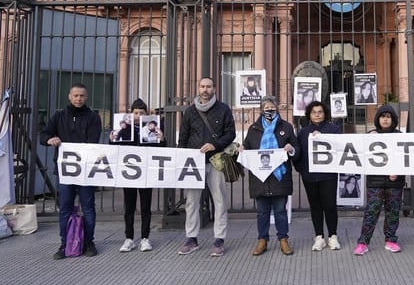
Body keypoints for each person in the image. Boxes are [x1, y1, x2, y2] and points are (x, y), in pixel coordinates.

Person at [39, 83, 102, 260]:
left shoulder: (93, 117)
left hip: (86, 171)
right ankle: (64, 243)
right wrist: (50, 139)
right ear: (69, 96)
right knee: (65, 207)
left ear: (86, 97)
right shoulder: (59, 117)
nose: (78, 99)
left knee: (88, 207)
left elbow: (93, 142)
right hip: (65, 171)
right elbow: (44, 134)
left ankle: (89, 242)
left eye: (82, 95)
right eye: (75, 95)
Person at [177, 77, 236, 257]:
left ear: (214, 88)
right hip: (194, 163)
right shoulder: (190, 111)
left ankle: (219, 239)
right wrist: (183, 157)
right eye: (202, 86)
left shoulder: (223, 109)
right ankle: (191, 238)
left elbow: (231, 133)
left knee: (219, 200)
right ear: (198, 88)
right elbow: (183, 136)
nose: (205, 89)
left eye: (208, 86)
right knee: (191, 201)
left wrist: (215, 145)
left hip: (216, 160)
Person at [242, 96, 298, 256]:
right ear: (261, 110)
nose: (269, 110)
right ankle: (262, 240)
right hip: (260, 177)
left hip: (279, 177)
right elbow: (248, 145)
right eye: (266, 107)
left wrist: (291, 148)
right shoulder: (253, 128)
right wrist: (242, 148)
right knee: (262, 212)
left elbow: (296, 147)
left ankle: (283, 240)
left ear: (277, 108)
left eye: (272, 107)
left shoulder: (286, 127)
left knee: (280, 210)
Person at [353, 105, 406, 255]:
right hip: (375, 182)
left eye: (388, 117)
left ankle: (391, 240)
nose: (385, 119)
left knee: (393, 212)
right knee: (371, 212)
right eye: (383, 116)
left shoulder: (401, 136)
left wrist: (398, 172)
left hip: (395, 182)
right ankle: (363, 242)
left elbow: (407, 158)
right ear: (378, 119)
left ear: (393, 120)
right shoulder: (371, 136)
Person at [115, 99, 165, 253]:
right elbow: (116, 147)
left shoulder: (152, 128)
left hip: (146, 173)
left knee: (145, 206)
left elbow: (162, 148)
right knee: (129, 207)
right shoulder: (124, 129)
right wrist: (112, 140)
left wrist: (161, 139)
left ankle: (145, 238)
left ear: (146, 114)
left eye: (141, 113)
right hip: (129, 172)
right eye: (135, 113)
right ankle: (129, 238)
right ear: (131, 113)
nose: (138, 116)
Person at [296, 100, 343, 251]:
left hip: (328, 175)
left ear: (325, 113)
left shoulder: (334, 129)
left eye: (320, 112)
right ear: (309, 114)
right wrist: (302, 170)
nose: (317, 115)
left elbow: (340, 147)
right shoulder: (303, 132)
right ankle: (319, 237)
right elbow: (299, 153)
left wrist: (323, 137)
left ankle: (333, 236)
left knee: (329, 205)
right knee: (315, 206)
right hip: (309, 176)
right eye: (314, 112)